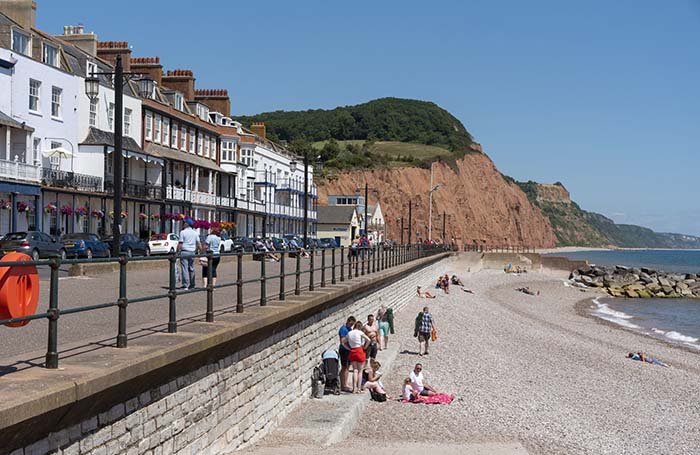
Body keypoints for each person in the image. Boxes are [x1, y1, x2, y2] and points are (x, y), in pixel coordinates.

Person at [343, 321, 371, 393]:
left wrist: (348, 348)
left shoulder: (349, 333)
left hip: (352, 351)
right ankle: (359, 388)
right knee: (360, 371)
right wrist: (365, 347)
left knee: (355, 370)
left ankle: (354, 388)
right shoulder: (360, 332)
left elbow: (343, 342)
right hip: (359, 350)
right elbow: (368, 339)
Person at [178, 219, 201, 290]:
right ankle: (192, 284)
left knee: (184, 268)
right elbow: (198, 243)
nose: (183, 224)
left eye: (184, 223)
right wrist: (201, 251)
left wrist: (178, 251)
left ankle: (185, 285)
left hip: (184, 251)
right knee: (191, 268)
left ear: (187, 224)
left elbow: (180, 243)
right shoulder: (195, 233)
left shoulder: (183, 232)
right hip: (192, 252)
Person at [338, 316, 356, 392]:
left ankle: (345, 383)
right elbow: (342, 341)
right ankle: (343, 385)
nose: (351, 325)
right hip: (344, 350)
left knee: (347, 367)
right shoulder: (343, 329)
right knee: (344, 367)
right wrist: (349, 348)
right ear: (348, 321)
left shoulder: (349, 329)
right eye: (351, 324)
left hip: (348, 350)